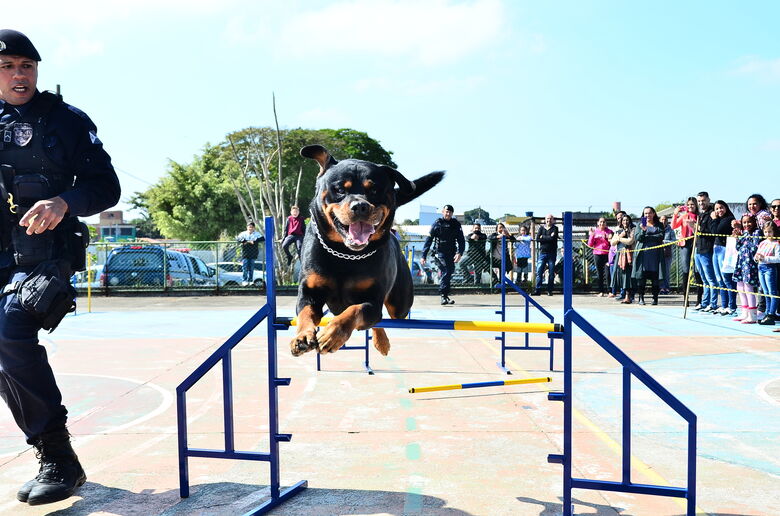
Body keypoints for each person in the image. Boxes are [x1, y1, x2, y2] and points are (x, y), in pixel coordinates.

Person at [0, 30, 120, 505]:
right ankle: (53, 455)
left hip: (45, 255)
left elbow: (106, 187)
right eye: (7, 67)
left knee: (10, 329)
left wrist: (64, 201)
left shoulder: (66, 121)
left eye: (26, 66)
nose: (18, 75)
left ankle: (58, 457)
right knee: (2, 352)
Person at [422, 205, 464, 305]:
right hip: (439, 253)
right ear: (442, 212)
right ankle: (443, 296)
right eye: (446, 211)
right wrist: (423, 255)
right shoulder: (437, 224)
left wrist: (459, 253)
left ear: (452, 213)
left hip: (451, 253)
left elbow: (461, 240)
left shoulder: (456, 224)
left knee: (449, 272)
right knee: (446, 270)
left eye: (450, 212)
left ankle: (445, 296)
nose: (448, 214)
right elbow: (429, 240)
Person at [631, 207, 666, 305]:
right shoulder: (640, 224)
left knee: (655, 278)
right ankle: (641, 298)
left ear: (654, 214)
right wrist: (643, 230)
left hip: (655, 255)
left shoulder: (659, 224)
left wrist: (648, 235)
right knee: (641, 277)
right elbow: (638, 238)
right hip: (643, 255)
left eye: (650, 213)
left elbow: (660, 237)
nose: (647, 215)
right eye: (645, 213)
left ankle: (655, 298)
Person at [731, 214, 761, 324]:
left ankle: (753, 315)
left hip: (750, 264)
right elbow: (738, 248)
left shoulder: (756, 232)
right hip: (741, 263)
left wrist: (745, 239)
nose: (746, 225)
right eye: (744, 223)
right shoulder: (744, 233)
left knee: (748, 287)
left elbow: (755, 247)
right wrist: (738, 238)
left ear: (754, 222)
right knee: (740, 286)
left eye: (749, 222)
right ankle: (745, 312)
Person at [710, 201, 736, 315]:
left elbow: (716, 231)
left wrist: (714, 219)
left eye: (721, 208)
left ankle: (732, 306)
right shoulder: (718, 219)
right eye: (716, 208)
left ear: (725, 208)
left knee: (727, 279)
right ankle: (724, 305)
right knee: (719, 279)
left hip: (725, 249)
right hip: (716, 249)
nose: (719, 210)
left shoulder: (728, 219)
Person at [693, 192, 718, 312]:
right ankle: (705, 302)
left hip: (707, 249)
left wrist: (697, 228)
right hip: (698, 249)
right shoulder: (700, 214)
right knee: (703, 279)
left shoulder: (711, 213)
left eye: (703, 200)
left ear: (708, 200)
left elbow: (712, 231)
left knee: (711, 279)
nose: (701, 203)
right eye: (699, 201)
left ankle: (713, 303)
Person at [671, 198, 698, 299]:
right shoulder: (684, 216)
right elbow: (673, 226)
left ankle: (699, 297)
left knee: (697, 269)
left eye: (692, 204)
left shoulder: (699, 216)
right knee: (685, 269)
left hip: (696, 243)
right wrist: (675, 214)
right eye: (689, 205)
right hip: (685, 243)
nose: (690, 206)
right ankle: (685, 296)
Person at [755, 221, 780, 325]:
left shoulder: (776, 243)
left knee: (772, 292)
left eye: (770, 232)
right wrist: (756, 258)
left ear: (774, 232)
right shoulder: (762, 243)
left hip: (770, 268)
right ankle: (767, 312)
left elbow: (778, 258)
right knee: (765, 292)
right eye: (765, 232)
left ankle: (771, 313)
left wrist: (765, 258)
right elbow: (757, 254)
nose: (767, 234)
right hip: (761, 267)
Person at [610, 214, 636, 303]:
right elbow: (612, 243)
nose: (625, 222)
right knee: (621, 275)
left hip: (629, 255)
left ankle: (629, 296)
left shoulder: (633, 229)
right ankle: (624, 294)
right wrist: (620, 236)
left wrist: (619, 238)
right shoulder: (618, 231)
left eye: (627, 220)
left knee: (628, 275)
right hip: (620, 255)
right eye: (623, 220)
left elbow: (630, 241)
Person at [587, 217, 613, 296]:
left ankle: (610, 291)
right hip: (597, 254)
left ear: (606, 223)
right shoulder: (595, 232)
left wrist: (607, 238)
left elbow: (611, 243)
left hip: (607, 254)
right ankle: (601, 291)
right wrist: (591, 235)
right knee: (599, 273)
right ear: (598, 223)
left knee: (608, 273)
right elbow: (590, 244)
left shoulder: (609, 231)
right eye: (600, 222)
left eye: (604, 222)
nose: (602, 223)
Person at [534, 214, 559, 296]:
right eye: (547, 219)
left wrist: (543, 237)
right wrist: (548, 237)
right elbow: (538, 239)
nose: (549, 220)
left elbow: (553, 238)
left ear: (553, 220)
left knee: (551, 273)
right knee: (539, 272)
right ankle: (538, 290)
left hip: (552, 253)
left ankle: (550, 290)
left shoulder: (555, 228)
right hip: (542, 253)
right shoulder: (541, 228)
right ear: (545, 220)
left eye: (551, 219)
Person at [236, 221, 264, 286]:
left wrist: (254, 240)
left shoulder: (257, 234)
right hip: (245, 253)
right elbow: (238, 238)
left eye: (251, 227)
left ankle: (250, 280)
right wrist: (246, 241)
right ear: (247, 227)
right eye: (249, 227)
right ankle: (244, 280)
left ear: (254, 228)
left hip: (253, 253)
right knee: (244, 267)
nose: (250, 228)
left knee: (251, 267)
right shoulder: (243, 233)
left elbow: (262, 238)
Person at [659, 215, 675, 294]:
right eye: (662, 219)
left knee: (666, 271)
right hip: (658, 253)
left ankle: (667, 287)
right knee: (660, 271)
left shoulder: (670, 230)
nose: (663, 221)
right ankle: (661, 287)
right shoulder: (658, 229)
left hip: (667, 253)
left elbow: (674, 241)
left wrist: (665, 242)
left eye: (665, 220)